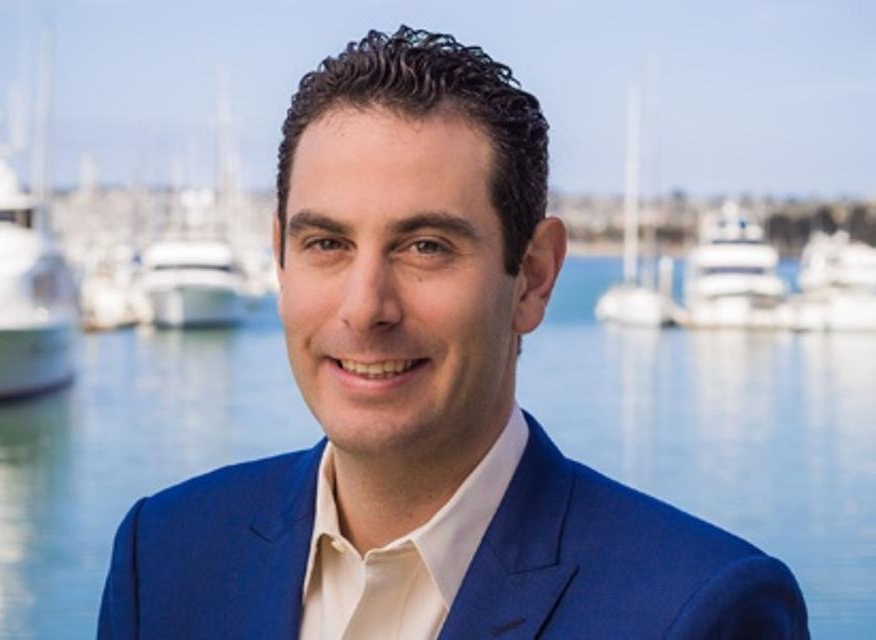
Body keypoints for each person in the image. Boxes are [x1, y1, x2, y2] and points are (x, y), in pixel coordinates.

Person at [98, 26, 808, 639]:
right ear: (279, 257)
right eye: (327, 244)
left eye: (426, 246)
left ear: (531, 276)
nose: (365, 307)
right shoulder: (163, 554)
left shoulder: (699, 609)